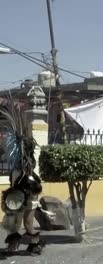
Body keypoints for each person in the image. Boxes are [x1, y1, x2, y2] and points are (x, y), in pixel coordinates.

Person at [0, 101, 54, 255]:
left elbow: (34, 185)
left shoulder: (28, 170)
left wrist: (26, 189)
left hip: (30, 199)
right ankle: (13, 244)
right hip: (16, 198)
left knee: (28, 223)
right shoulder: (16, 169)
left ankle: (35, 245)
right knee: (13, 223)